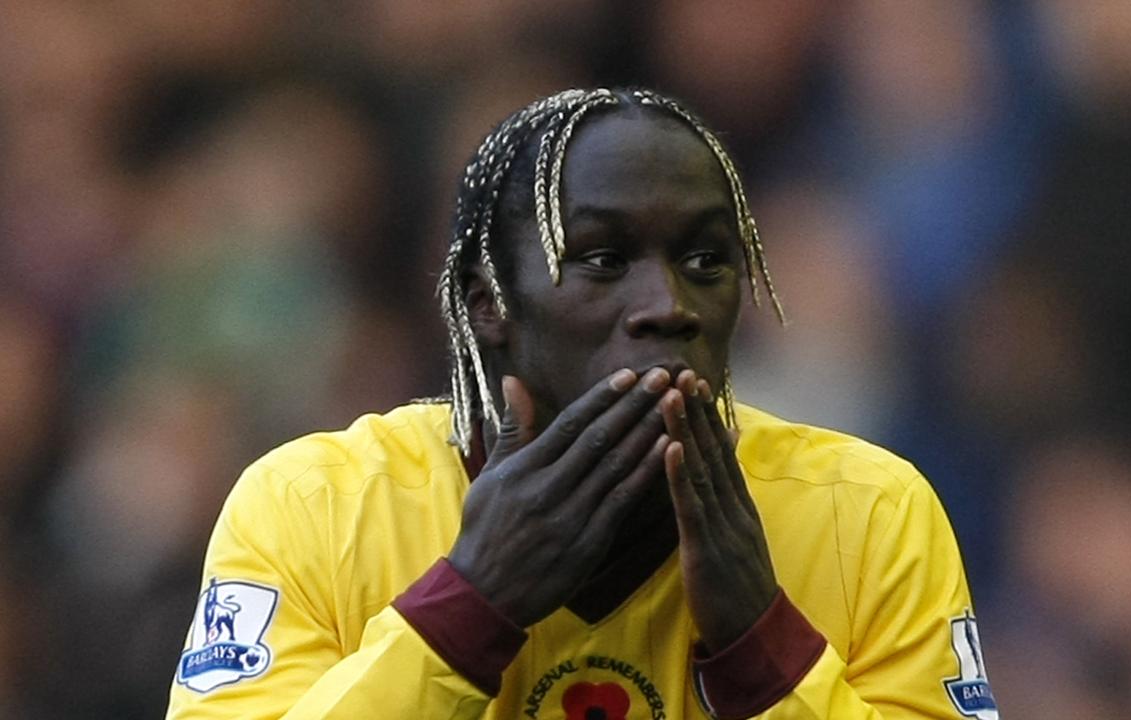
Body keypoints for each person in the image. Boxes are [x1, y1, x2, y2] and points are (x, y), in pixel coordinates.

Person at [165, 87, 998, 720]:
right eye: (602, 259)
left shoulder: (871, 516)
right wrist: (466, 608)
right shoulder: (316, 508)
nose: (668, 303)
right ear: (487, 300)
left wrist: (763, 648)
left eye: (706, 260)